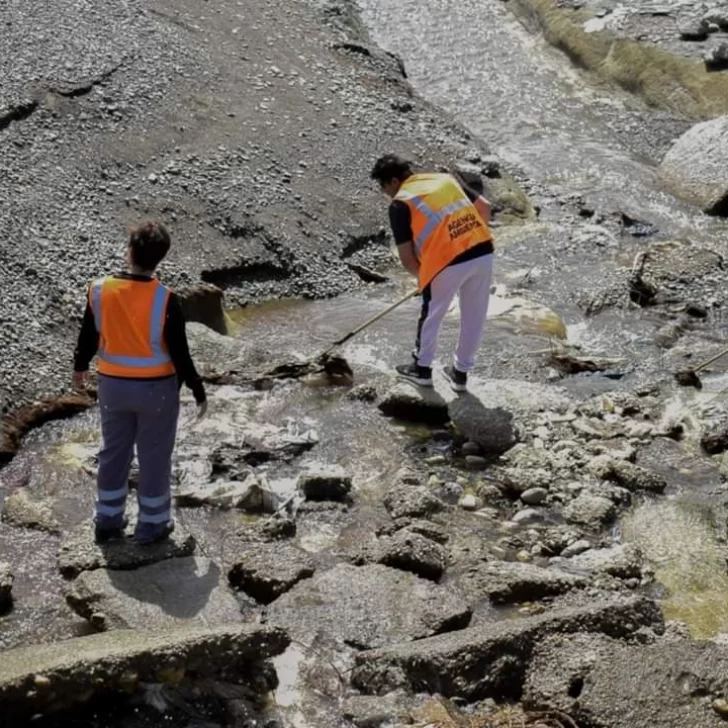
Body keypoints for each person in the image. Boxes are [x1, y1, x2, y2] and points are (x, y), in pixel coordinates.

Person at [73, 222, 207, 545]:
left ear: (129, 251)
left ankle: (107, 520)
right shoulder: (166, 299)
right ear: (159, 260)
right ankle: (152, 524)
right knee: (155, 456)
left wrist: (79, 368)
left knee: (113, 452)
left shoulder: (100, 290)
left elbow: (88, 336)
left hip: (113, 388)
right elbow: (180, 353)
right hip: (157, 391)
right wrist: (198, 390)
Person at [370, 154, 495, 392]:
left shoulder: (400, 203)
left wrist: (423, 279)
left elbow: (407, 258)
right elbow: (484, 208)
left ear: (394, 181)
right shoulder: (444, 179)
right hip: (482, 251)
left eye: (384, 187)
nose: (386, 193)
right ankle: (460, 374)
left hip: (445, 262)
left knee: (432, 315)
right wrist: (470, 239)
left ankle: (422, 369)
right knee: (474, 317)